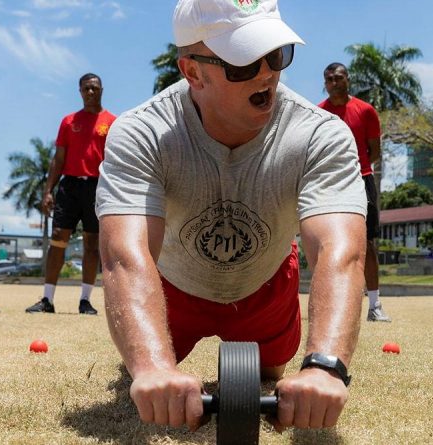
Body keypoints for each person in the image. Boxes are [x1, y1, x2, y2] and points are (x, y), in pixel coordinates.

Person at [96, 0, 367, 433]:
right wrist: (151, 367)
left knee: (270, 378)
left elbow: (340, 250)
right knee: (143, 383)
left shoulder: (321, 134)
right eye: (242, 64)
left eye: (276, 54)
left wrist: (324, 366)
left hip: (266, 289)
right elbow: (124, 255)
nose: (266, 74)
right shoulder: (141, 132)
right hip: (172, 293)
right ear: (193, 73)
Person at [25, 73, 116, 315]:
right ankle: (47, 300)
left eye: (94, 88)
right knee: (58, 239)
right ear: (80, 91)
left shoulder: (112, 122)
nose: (90, 92)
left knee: (91, 245)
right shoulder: (68, 121)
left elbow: (115, 161)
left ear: (101, 90)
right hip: (69, 186)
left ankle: (85, 300)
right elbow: (58, 159)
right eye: (86, 88)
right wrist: (48, 191)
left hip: (97, 187)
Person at [319, 63, 391, 322]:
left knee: (368, 243)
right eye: (329, 79)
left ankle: (375, 305)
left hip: (361, 178)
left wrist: (356, 168)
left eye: (339, 77)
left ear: (348, 79)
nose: (334, 82)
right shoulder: (319, 113)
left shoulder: (366, 111)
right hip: (331, 183)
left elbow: (375, 151)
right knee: (329, 242)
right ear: (324, 83)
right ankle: (333, 304)